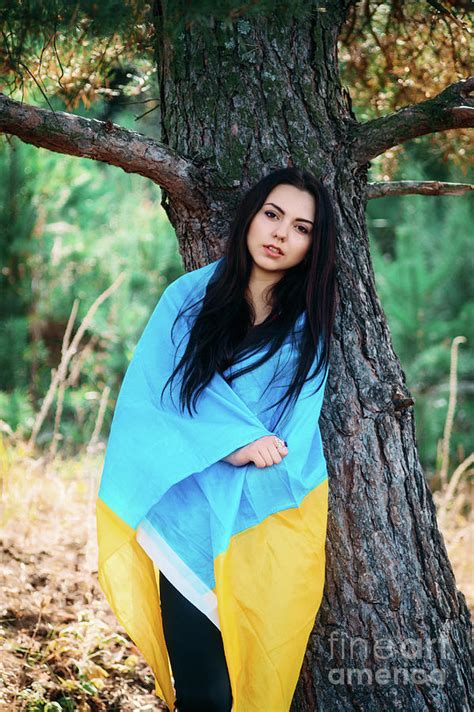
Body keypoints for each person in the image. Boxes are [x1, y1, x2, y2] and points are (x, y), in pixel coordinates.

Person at [96, 166, 337, 712]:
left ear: (313, 245)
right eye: (272, 215)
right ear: (250, 216)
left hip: (267, 520)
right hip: (188, 516)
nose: (280, 234)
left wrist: (251, 446)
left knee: (254, 673)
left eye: (301, 228)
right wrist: (229, 443)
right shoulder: (188, 297)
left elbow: (290, 434)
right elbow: (153, 396)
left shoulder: (310, 322)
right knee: (204, 691)